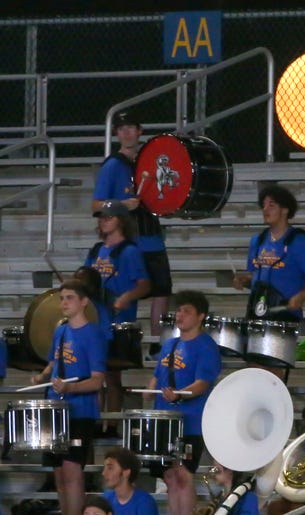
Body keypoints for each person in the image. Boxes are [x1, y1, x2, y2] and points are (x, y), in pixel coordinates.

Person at [92, 109, 173, 339]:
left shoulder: (149, 162)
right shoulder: (113, 165)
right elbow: (95, 205)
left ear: (140, 131)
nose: (126, 133)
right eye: (121, 129)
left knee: (162, 290)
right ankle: (122, 342)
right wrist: (121, 204)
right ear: (117, 133)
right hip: (128, 241)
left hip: (152, 236)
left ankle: (157, 343)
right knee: (127, 293)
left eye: (131, 128)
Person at [30, 279, 107, 515]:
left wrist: (70, 389)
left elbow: (97, 379)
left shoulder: (93, 334)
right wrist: (42, 376)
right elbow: (54, 361)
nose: (64, 302)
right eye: (62, 298)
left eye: (70, 297)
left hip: (80, 411)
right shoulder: (61, 330)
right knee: (59, 474)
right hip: (55, 409)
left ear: (84, 302)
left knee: (73, 473)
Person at [144, 290, 222, 515]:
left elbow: (202, 383)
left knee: (183, 474)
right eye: (178, 310)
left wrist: (179, 394)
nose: (180, 314)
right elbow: (158, 375)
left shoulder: (206, 345)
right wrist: (149, 392)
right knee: (169, 475)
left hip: (191, 421)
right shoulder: (169, 345)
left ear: (200, 316)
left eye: (187, 311)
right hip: (164, 418)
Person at [85, 199, 151, 437]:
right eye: (101, 217)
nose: (103, 221)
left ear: (121, 220)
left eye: (108, 217)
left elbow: (144, 285)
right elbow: (85, 279)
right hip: (94, 320)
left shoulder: (130, 251)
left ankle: (111, 424)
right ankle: (94, 420)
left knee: (112, 376)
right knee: (93, 374)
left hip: (116, 320)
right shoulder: (95, 250)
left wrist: (126, 297)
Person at [232, 184, 305, 322]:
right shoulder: (257, 241)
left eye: (271, 205)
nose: (265, 210)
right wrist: (243, 280)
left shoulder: (299, 242)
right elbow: (255, 275)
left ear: (285, 210)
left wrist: (300, 297)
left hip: (285, 315)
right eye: (263, 205)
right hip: (256, 310)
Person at [101, 447, 159, 514]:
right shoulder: (106, 498)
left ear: (126, 472)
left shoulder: (145, 503)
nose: (103, 473)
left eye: (110, 468)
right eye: (104, 468)